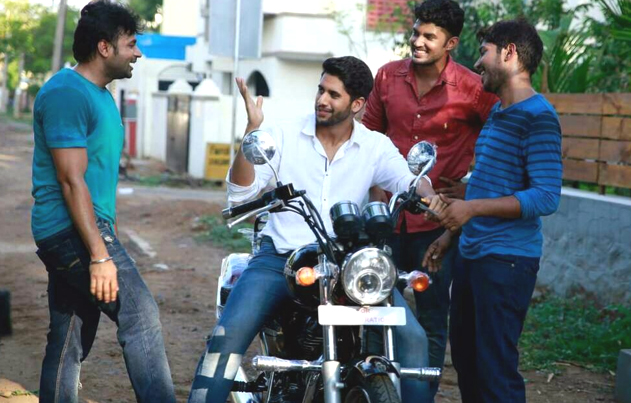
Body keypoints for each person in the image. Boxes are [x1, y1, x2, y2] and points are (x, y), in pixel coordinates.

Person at [188, 56, 445, 403]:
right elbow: (240, 194)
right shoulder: (282, 134)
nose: (322, 99)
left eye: (333, 94)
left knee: (412, 337)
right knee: (228, 335)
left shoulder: (374, 146)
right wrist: (252, 130)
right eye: (321, 90)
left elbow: (408, 181)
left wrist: (428, 196)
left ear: (357, 104)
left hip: (345, 265)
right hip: (281, 260)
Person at [31, 2, 175, 402]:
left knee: (70, 334)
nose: (138, 53)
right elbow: (70, 180)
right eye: (131, 44)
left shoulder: (98, 95)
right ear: (104, 47)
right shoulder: (66, 93)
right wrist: (99, 255)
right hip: (71, 230)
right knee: (139, 314)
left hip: (75, 228)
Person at [362, 0, 498, 397]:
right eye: (416, 33)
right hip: (385, 219)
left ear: (450, 43)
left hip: (437, 227)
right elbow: (367, 140)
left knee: (433, 320)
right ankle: (374, 393)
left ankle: (419, 397)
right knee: (371, 312)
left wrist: (472, 188)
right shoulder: (387, 76)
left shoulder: (473, 88)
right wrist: (375, 203)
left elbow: (501, 142)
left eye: (429, 37)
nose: (418, 42)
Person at [430, 19, 563, 403]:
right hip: (473, 255)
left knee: (495, 371)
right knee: (468, 364)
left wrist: (471, 208)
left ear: (509, 53)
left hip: (506, 262)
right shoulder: (498, 115)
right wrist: (450, 234)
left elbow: (545, 197)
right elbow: (490, 186)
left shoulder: (538, 117)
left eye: (484, 51)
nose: (477, 63)